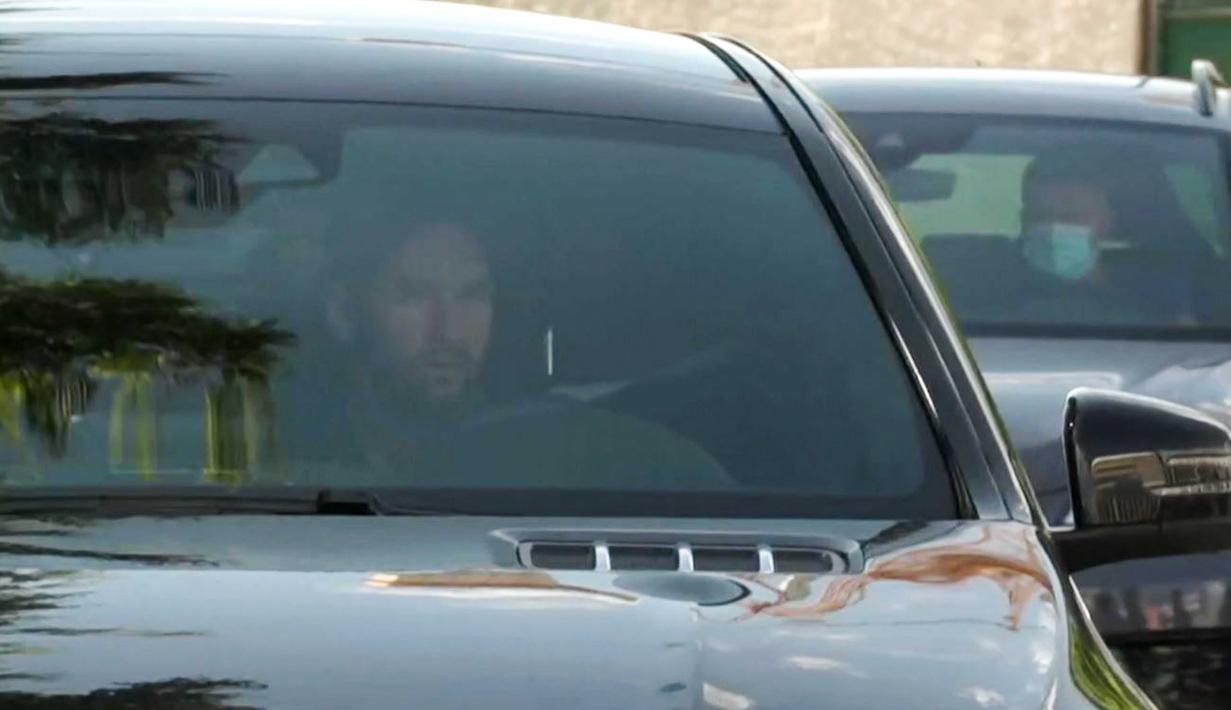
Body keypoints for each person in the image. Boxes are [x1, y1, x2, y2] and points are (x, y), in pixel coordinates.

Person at [321, 219, 730, 489]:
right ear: (344, 311)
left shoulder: (597, 455)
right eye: (412, 296)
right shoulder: (278, 449)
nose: (447, 329)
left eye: (472, 295)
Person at [1015, 144, 1205, 325]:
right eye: (1040, 216)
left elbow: (1193, 348)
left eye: (1071, 217)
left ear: (1107, 221)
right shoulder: (996, 279)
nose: (1054, 228)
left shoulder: (1160, 286)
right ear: (1024, 221)